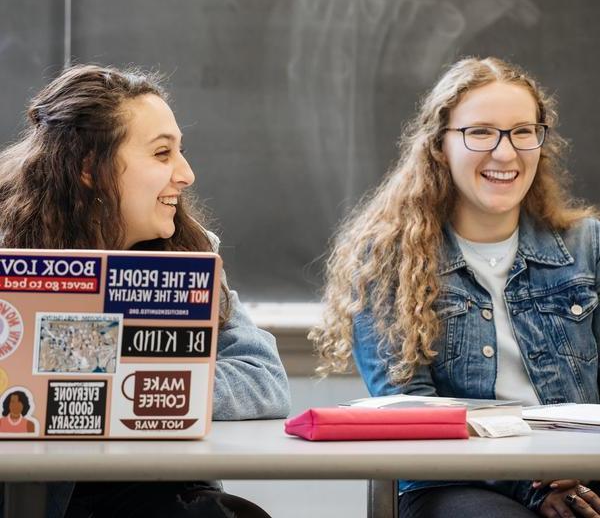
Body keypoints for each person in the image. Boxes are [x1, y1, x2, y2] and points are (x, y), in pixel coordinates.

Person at [310, 57, 600, 518]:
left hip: (583, 474)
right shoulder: (389, 258)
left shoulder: (588, 246)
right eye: (480, 132)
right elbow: (410, 412)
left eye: (523, 132)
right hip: (451, 480)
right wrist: (535, 485)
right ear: (440, 146)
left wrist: (575, 473)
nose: (505, 153)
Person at [0, 65, 291, 518]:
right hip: (36, 496)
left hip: (158, 494)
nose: (186, 174)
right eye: (161, 154)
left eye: (181, 152)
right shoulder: (10, 252)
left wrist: (135, 387)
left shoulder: (190, 253)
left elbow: (263, 380)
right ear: (88, 169)